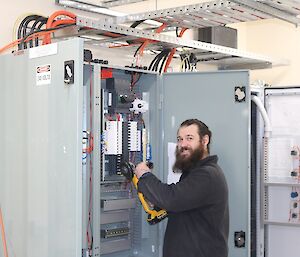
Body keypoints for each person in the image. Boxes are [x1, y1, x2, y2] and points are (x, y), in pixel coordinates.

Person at [134, 119, 229, 257]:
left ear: (205, 140)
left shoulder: (207, 174)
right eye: (180, 139)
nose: (183, 144)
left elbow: (172, 198)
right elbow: (179, 203)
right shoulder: (194, 172)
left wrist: (144, 174)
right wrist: (156, 203)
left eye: (189, 138)